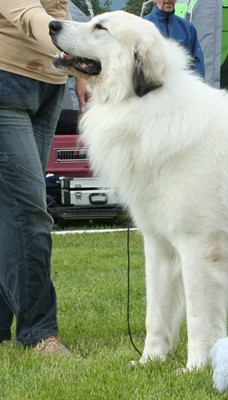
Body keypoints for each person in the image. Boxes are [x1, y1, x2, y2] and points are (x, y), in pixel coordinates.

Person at [0, 0, 88, 355]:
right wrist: (75, 52)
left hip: (50, 83)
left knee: (10, 212)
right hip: (6, 79)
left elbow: (57, 11)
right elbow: (27, 13)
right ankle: (38, 331)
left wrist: (78, 73)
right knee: (29, 211)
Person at [144, 0, 205, 78]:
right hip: (153, 86)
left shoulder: (187, 28)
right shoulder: (143, 27)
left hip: (182, 86)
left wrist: (198, 87)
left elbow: (197, 62)